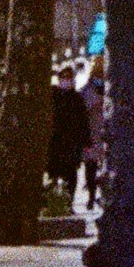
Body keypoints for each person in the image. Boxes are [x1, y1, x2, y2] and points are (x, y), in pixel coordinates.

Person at [48, 67, 90, 215]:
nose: (67, 80)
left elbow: (83, 121)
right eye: (64, 77)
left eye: (70, 78)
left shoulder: (77, 98)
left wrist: (86, 142)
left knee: (71, 175)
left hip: (72, 144)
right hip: (54, 143)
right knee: (53, 173)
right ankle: (51, 204)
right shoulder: (52, 95)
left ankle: (68, 203)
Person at [79, 63, 108, 209]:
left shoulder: (110, 88)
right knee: (90, 167)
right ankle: (91, 196)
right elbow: (82, 111)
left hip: (106, 134)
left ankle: (103, 195)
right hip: (91, 135)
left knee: (105, 167)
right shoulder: (86, 90)